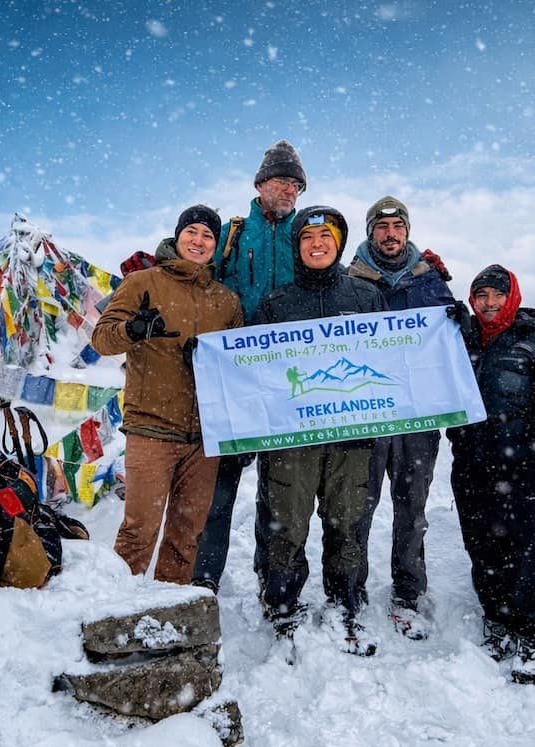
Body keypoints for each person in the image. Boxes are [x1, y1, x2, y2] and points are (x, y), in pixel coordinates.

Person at [255, 206, 387, 656]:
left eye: (325, 238)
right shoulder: (276, 303)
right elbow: (253, 369)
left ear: (338, 244)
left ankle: (345, 599)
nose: (317, 245)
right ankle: (283, 602)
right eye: (308, 238)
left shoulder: (366, 297)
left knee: (347, 522)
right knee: (287, 523)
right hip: (293, 440)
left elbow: (392, 353)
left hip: (352, 437)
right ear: (298, 246)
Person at [90, 205, 244, 584]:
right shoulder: (144, 282)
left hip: (203, 439)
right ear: (178, 237)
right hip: (152, 431)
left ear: (215, 244)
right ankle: (117, 614)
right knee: (138, 531)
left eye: (208, 236)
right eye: (192, 232)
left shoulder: (226, 301)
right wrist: (134, 328)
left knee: (186, 536)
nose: (199, 241)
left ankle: (169, 614)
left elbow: (239, 366)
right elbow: (101, 339)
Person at [447, 264, 535, 684]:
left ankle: (533, 631)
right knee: (481, 542)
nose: (488, 304)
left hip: (522, 463)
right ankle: (498, 618)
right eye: (480, 296)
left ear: (512, 298)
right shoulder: (461, 339)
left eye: (496, 296)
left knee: (524, 547)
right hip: (471, 459)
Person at [190, 139, 308, 594]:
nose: (290, 191)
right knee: (220, 486)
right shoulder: (233, 234)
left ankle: (272, 577)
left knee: (280, 490)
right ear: (260, 185)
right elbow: (193, 262)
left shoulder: (307, 236)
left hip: (288, 383)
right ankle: (204, 577)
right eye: (282, 182)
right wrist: (159, 259)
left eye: (296, 185)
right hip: (235, 378)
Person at [346, 196, 460, 640]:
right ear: (371, 232)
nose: (390, 234)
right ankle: (351, 591)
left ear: (407, 232)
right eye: (382, 227)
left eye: (397, 226)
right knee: (358, 506)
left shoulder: (430, 280)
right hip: (365, 414)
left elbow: (448, 341)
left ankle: (408, 591)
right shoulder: (349, 280)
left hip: (417, 416)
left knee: (411, 507)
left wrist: (458, 321)